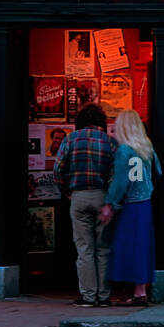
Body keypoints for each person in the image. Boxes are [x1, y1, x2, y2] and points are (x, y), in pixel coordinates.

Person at [53, 103, 115, 307]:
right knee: (103, 249)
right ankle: (104, 296)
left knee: (84, 249)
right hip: (102, 197)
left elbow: (58, 169)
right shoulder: (110, 141)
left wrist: (67, 192)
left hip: (78, 196)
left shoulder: (71, 139)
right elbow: (115, 174)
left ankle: (88, 296)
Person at [99, 110, 160, 306]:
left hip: (130, 205)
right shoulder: (146, 147)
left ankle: (138, 293)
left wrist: (110, 203)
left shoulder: (124, 150)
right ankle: (140, 291)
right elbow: (158, 171)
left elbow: (120, 182)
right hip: (145, 204)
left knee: (127, 248)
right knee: (141, 247)